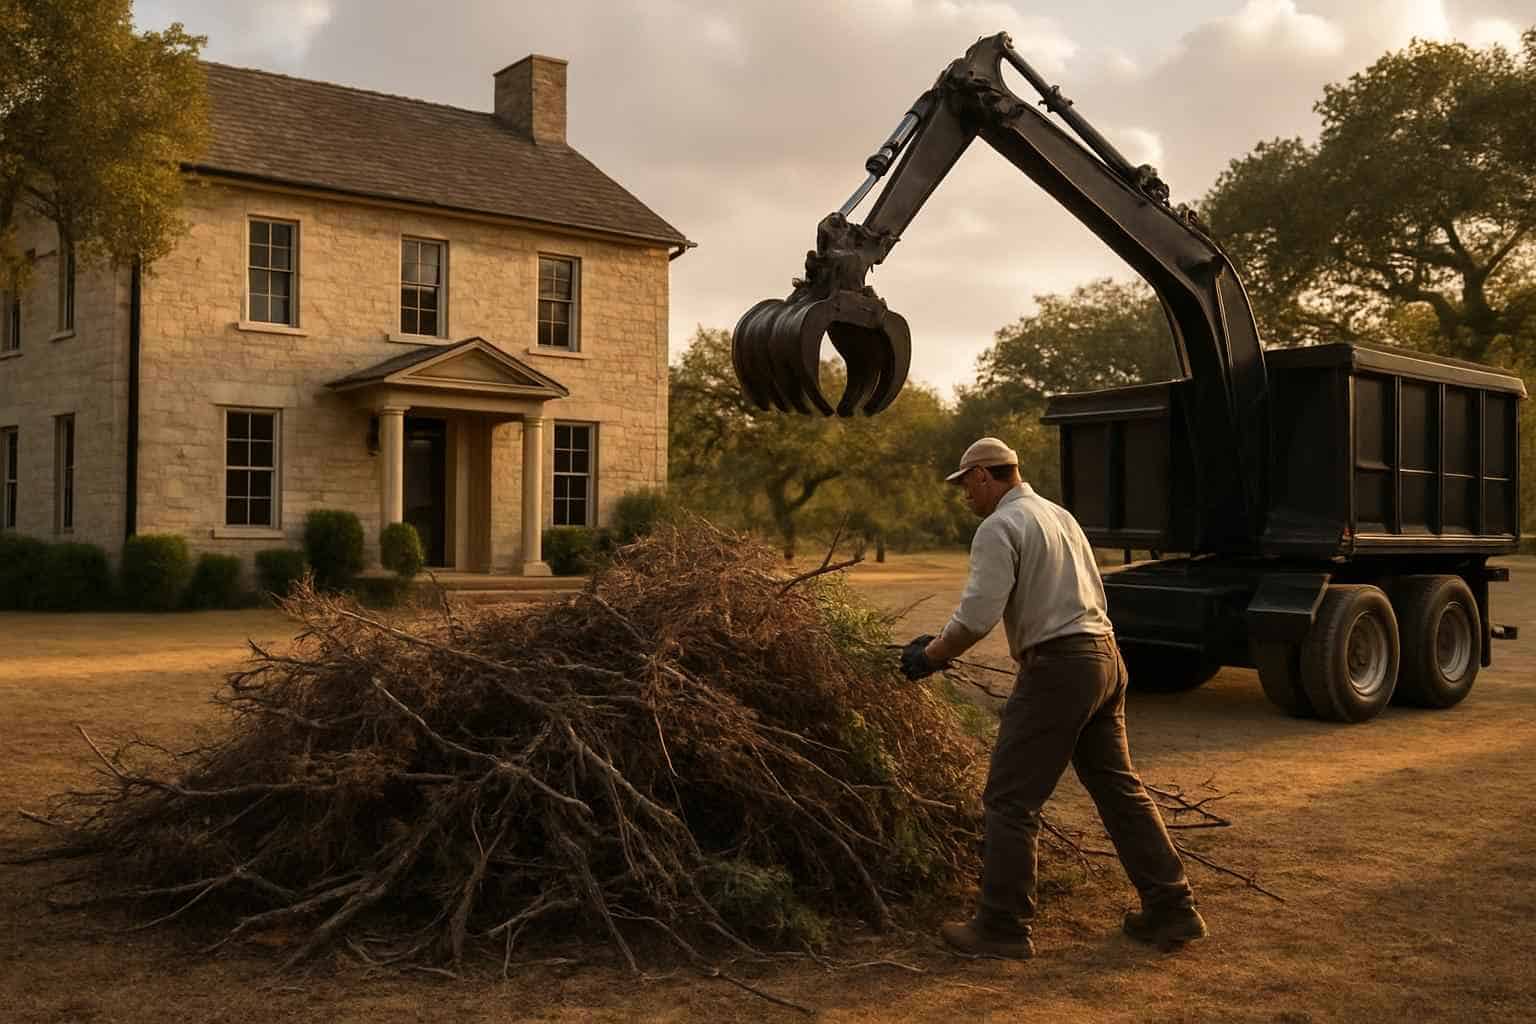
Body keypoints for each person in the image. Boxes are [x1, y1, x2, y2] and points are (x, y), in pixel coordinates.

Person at [900, 436, 1206, 960]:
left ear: (982, 476)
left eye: (965, 486)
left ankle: (1001, 926)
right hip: (1105, 657)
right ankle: (1173, 908)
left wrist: (931, 654)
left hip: (1059, 668)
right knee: (1118, 790)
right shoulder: (1060, 517)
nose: (964, 498)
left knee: (1009, 799)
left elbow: (977, 616)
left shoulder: (999, 526)